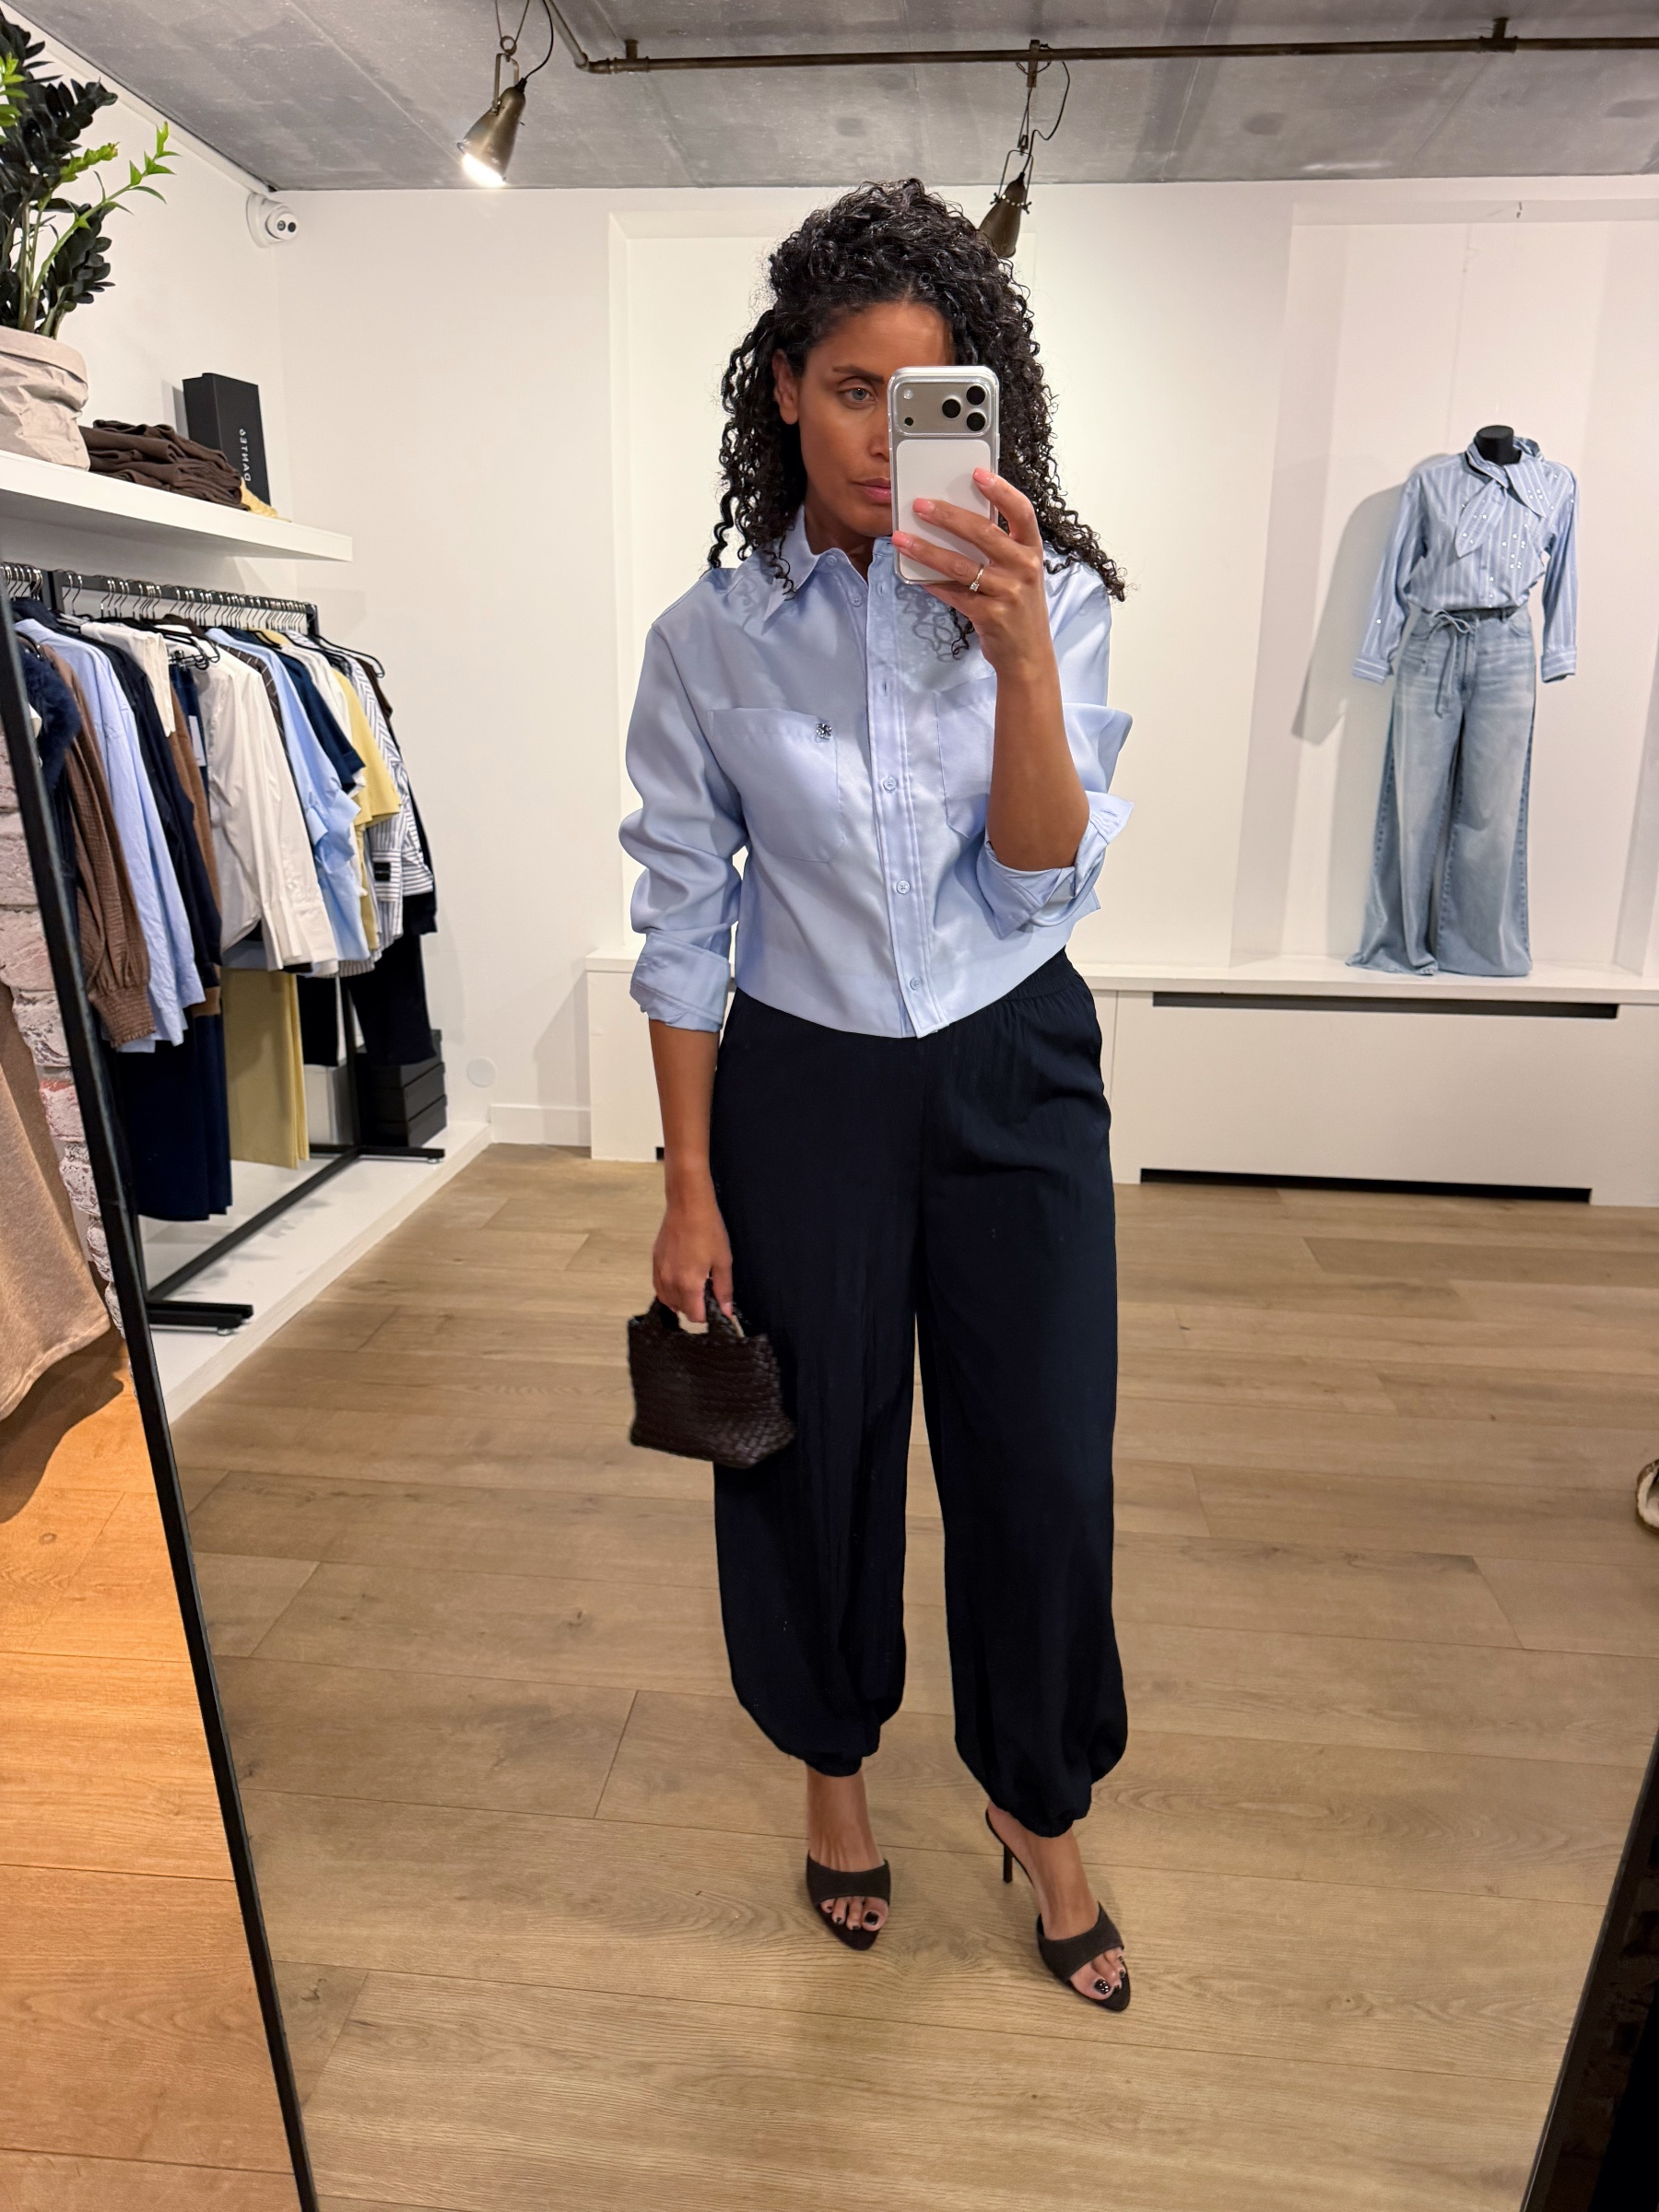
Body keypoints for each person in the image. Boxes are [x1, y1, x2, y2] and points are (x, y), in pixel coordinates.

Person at [621, 179, 1135, 2010]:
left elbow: (1042, 872)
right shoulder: (708, 642)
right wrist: (689, 1183)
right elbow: (683, 921)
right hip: (805, 1084)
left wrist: (1017, 654)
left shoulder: (1051, 598)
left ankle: (1036, 1797)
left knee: (1044, 1458)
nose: (875, 436)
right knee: (810, 1455)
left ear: (976, 408)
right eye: (849, 389)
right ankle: (833, 1772)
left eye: (920, 399)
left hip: (1013, 1065)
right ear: (783, 386)